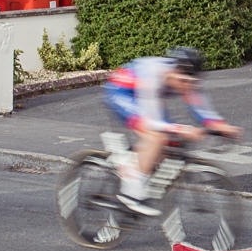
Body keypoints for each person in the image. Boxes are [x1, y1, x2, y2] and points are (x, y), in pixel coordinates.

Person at [104, 46, 243, 217]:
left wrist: (221, 126)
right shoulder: (154, 76)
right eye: (183, 82)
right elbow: (150, 121)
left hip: (147, 98)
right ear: (173, 72)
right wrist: (183, 129)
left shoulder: (187, 80)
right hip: (122, 93)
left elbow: (201, 108)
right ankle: (130, 192)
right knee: (156, 137)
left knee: (168, 141)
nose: (186, 87)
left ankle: (139, 166)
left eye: (190, 83)